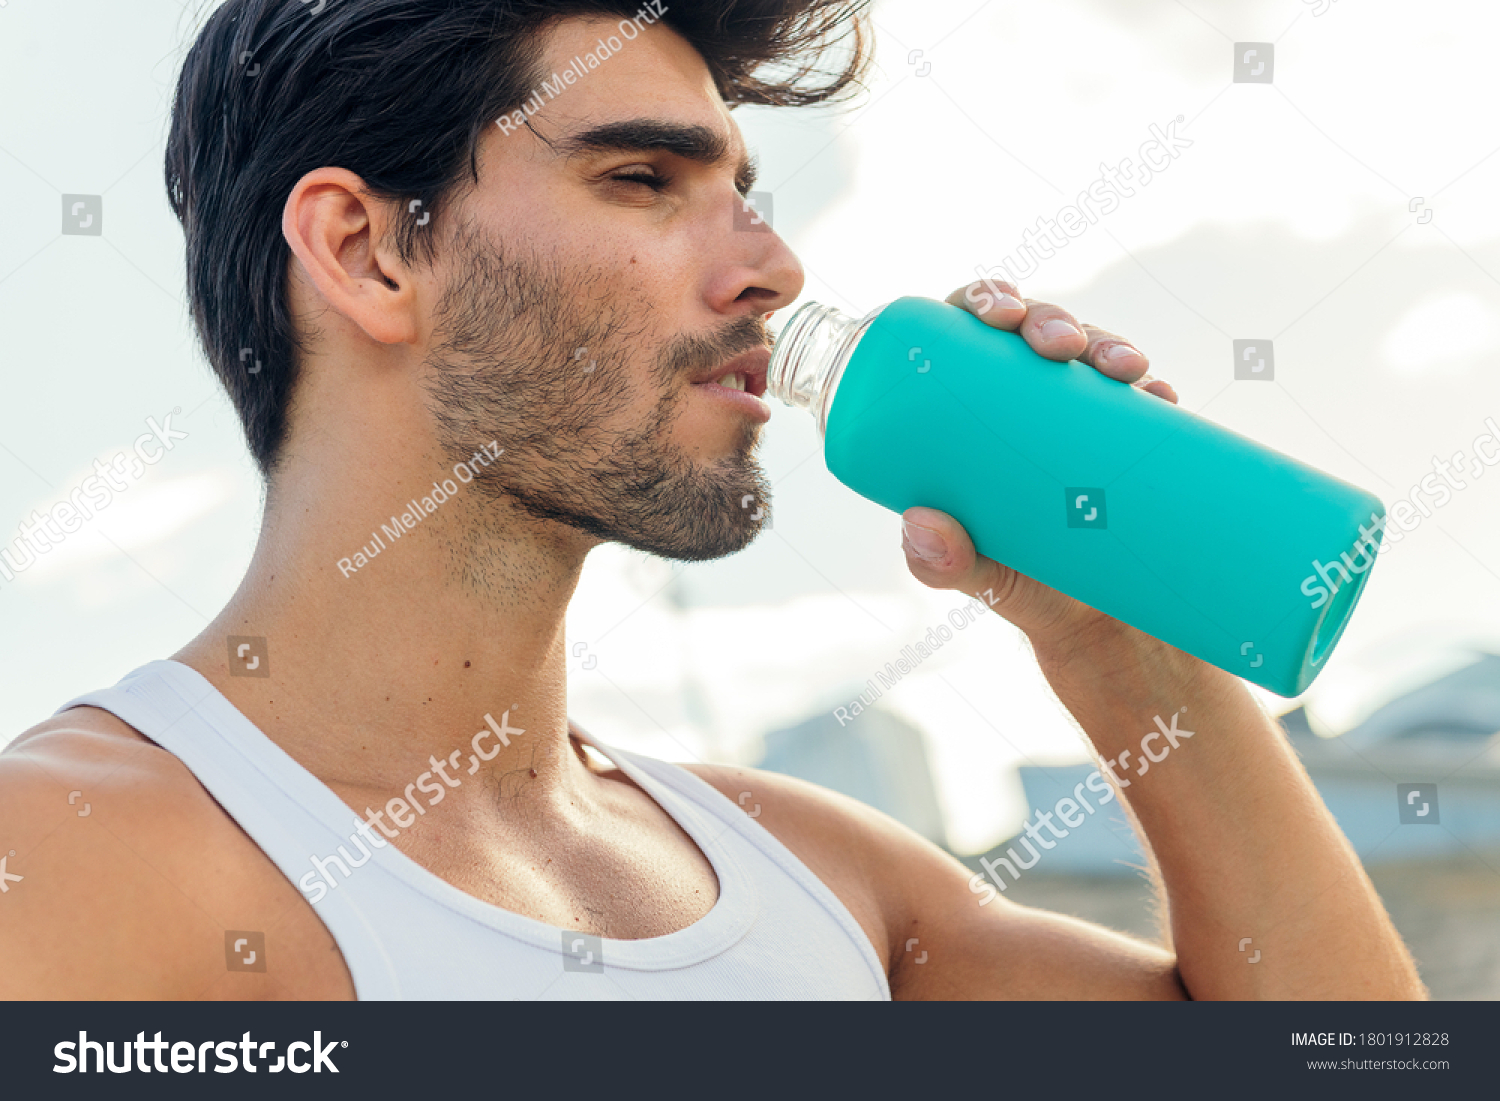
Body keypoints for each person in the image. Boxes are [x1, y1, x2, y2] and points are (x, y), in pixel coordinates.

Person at [0, 0, 1423, 1000]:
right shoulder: (62, 859)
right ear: (370, 252)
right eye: (641, 179)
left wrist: (1122, 639)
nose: (773, 266)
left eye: (743, 186)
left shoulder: (821, 880)